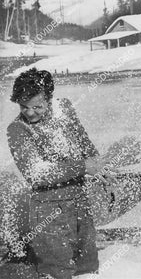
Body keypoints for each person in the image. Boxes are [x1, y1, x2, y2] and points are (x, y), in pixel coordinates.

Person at [5, 68, 104, 279]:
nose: (30, 113)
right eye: (24, 107)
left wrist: (101, 168)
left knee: (88, 267)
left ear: (50, 99)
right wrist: (82, 167)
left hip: (80, 203)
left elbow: (84, 145)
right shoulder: (17, 129)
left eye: (37, 106)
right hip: (48, 211)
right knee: (57, 271)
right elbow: (37, 174)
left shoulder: (64, 109)